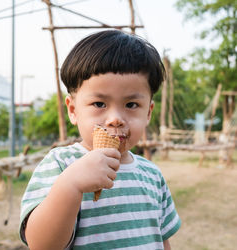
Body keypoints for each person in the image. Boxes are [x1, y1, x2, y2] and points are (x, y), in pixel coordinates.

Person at [20, 29, 181, 250]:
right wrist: (71, 185)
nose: (115, 119)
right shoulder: (60, 164)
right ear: (73, 110)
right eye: (99, 104)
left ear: (149, 112)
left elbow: (161, 240)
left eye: (131, 105)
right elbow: (41, 245)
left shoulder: (152, 175)